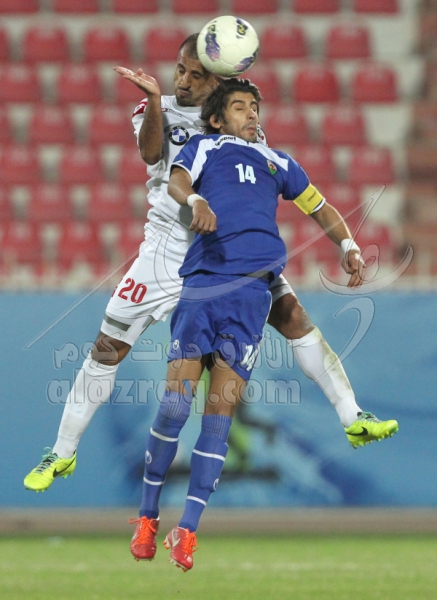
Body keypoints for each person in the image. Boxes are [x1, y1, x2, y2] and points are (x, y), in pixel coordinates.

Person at [23, 34, 397, 494]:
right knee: (107, 348)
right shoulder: (157, 109)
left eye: (195, 75)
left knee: (295, 318)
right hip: (166, 251)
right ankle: (61, 452)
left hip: (227, 251)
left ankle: (352, 416)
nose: (182, 81)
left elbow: (277, 184)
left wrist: (340, 242)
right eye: (180, 70)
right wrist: (155, 101)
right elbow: (149, 153)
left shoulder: (243, 127)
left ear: (217, 83)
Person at [130, 78, 398, 572]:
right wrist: (196, 202)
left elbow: (320, 206)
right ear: (216, 119)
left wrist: (348, 245)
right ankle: (147, 516)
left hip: (253, 295)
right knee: (175, 406)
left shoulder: (278, 161)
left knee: (220, 417)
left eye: (254, 106)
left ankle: (187, 531)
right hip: (205, 286)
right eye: (239, 107)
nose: (252, 113)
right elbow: (176, 182)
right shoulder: (205, 147)